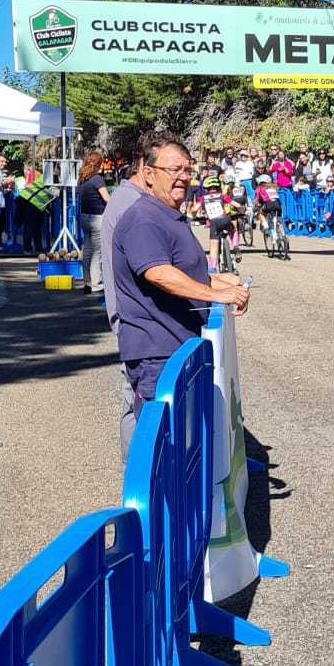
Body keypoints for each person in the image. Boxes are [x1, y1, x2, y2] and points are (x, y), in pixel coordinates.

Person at [112, 138, 248, 456]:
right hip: (158, 354)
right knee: (163, 451)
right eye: (174, 169)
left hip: (177, 348)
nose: (183, 177)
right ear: (148, 173)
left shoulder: (166, 214)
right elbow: (157, 272)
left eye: (188, 170)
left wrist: (215, 279)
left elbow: (178, 269)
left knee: (183, 448)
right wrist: (216, 293)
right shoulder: (144, 218)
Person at [78, 153, 111, 293]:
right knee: (97, 252)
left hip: (84, 216)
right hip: (98, 217)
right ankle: (97, 284)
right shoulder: (97, 179)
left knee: (87, 250)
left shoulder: (82, 179)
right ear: (99, 164)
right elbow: (107, 198)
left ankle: (87, 282)